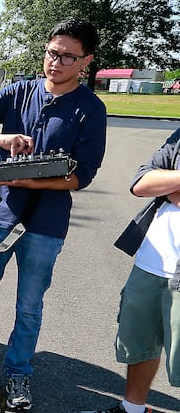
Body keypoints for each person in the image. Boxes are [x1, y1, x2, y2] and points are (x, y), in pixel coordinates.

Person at [0, 18, 107, 410]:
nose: (55, 62)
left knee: (29, 307)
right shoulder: (20, 90)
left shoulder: (91, 109)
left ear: (85, 61)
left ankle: (17, 374)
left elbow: (82, 176)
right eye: (51, 52)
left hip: (46, 225)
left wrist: (30, 182)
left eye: (67, 57)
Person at [81, 129, 180, 413]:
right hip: (153, 260)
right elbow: (142, 182)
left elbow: (156, 183)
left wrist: (167, 183)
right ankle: (133, 408)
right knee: (140, 342)